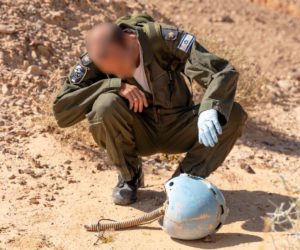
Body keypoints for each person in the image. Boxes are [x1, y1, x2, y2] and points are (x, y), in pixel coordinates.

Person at [52, 15, 248, 205]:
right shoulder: (98, 58)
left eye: (120, 65)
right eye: (111, 72)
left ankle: (184, 182)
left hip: (177, 125)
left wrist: (210, 108)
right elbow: (61, 111)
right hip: (139, 131)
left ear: (130, 40)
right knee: (104, 105)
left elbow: (222, 71)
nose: (117, 72)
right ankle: (130, 177)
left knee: (233, 113)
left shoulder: (162, 40)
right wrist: (113, 85)